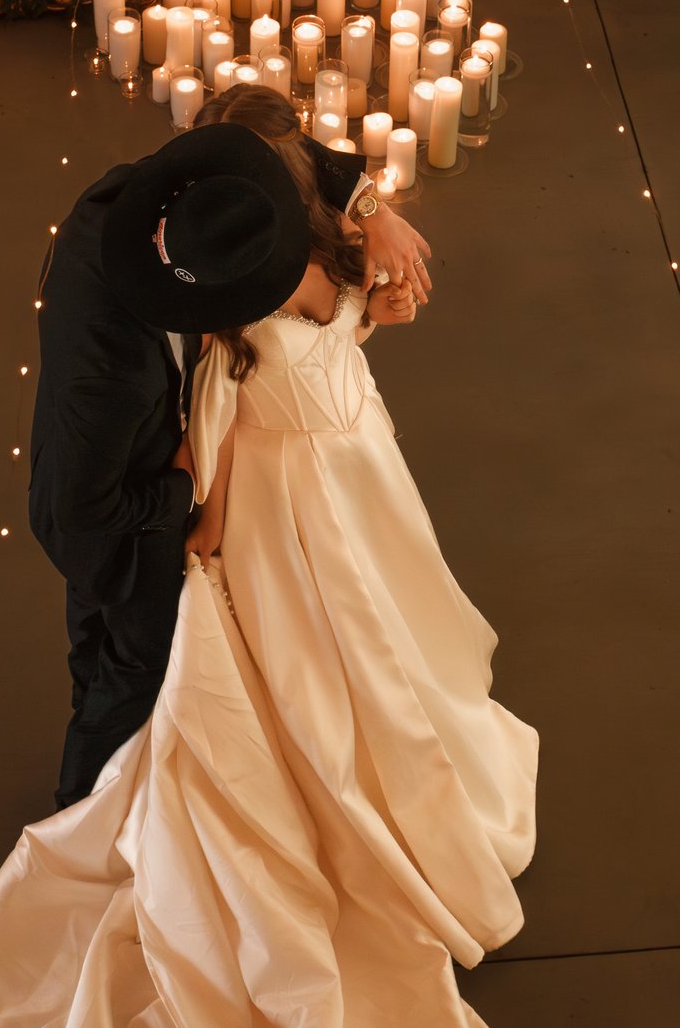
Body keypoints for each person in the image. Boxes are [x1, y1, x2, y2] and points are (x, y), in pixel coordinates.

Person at [0, 85, 535, 1027]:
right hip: (152, 526)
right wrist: (194, 498)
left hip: (354, 484)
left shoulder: (246, 210)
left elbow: (286, 143)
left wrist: (376, 225)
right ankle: (94, 806)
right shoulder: (156, 329)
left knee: (375, 654)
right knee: (144, 670)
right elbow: (110, 501)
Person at [25, 104, 432, 812]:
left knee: (94, 650)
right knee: (133, 665)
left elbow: (273, 140)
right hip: (116, 516)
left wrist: (372, 205)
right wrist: (185, 485)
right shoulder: (115, 374)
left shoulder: (140, 195)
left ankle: (100, 727)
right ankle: (80, 811)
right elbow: (89, 507)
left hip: (153, 459)